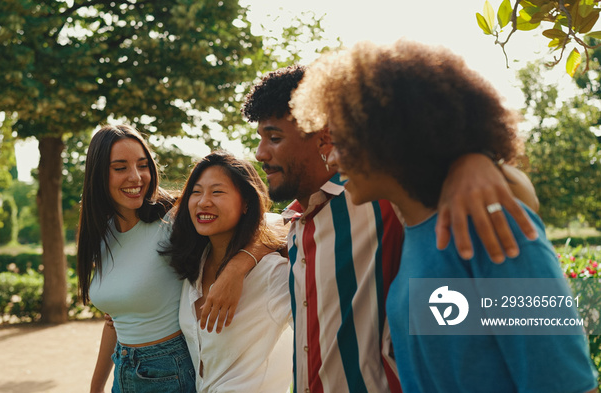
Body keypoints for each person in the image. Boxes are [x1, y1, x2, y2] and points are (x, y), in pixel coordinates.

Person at [291, 39, 598, 392]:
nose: (332, 158)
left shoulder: (488, 227)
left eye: (341, 140)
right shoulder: (416, 235)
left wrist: (478, 160)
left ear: (386, 136)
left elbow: (567, 384)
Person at [242, 65, 540, 393]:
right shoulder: (296, 219)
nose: (260, 154)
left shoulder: (378, 195)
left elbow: (518, 195)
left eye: (274, 137)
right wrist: (243, 259)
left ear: (323, 136)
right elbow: (263, 228)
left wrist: (475, 161)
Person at [76, 125, 262, 393]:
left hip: (170, 372)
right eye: (120, 168)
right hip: (123, 370)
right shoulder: (102, 234)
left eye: (143, 165)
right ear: (97, 175)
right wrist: (96, 388)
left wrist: (237, 268)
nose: (136, 177)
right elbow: (115, 321)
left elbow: (272, 227)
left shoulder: (173, 218)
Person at [160, 151, 293, 392]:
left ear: (246, 203)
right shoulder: (194, 266)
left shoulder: (273, 273)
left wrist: (239, 266)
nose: (203, 202)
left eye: (217, 192)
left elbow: (292, 223)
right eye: (196, 192)